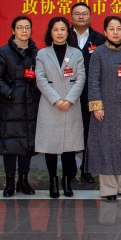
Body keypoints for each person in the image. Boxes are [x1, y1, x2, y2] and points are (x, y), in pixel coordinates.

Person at [86, 16, 121, 201]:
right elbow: (93, 80)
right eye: (111, 29)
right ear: (105, 32)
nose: (116, 32)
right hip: (105, 107)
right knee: (107, 146)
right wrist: (97, 105)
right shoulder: (98, 53)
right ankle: (109, 189)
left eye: (119, 28)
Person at [35, 16, 85, 198]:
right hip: (50, 106)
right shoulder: (42, 54)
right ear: (50, 32)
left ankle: (66, 180)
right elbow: (40, 79)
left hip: (71, 105)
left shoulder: (76, 53)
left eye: (63, 29)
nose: (59, 33)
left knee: (69, 148)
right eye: (55, 30)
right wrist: (56, 100)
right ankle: (53, 180)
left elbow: (80, 78)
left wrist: (69, 99)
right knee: (51, 147)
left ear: (68, 32)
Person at [0, 15, 40, 197]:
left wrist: (34, 91)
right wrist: (9, 93)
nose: (24, 30)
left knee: (27, 144)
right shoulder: (3, 51)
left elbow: (42, 76)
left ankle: (24, 180)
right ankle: (10, 181)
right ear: (13, 30)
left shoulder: (37, 52)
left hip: (30, 104)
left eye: (27, 27)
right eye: (20, 27)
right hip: (10, 105)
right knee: (10, 145)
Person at [67, 2, 106, 183]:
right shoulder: (64, 36)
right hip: (69, 92)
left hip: (92, 92)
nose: (81, 16)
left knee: (90, 130)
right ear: (71, 17)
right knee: (70, 130)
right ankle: (69, 170)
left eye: (84, 13)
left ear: (90, 16)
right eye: (77, 13)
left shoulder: (100, 39)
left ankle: (87, 169)